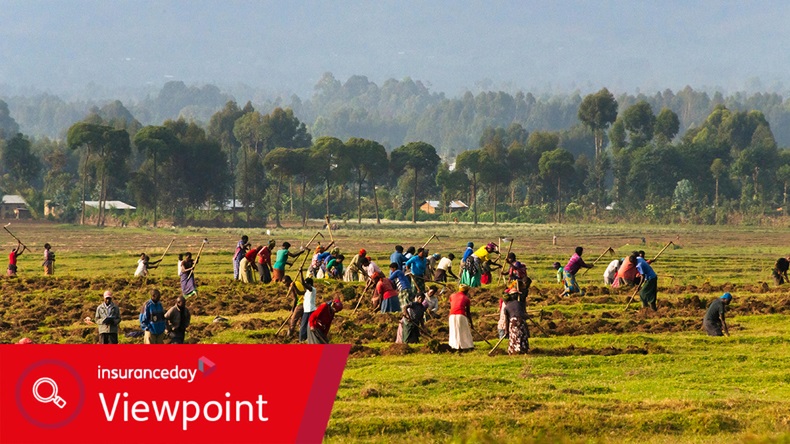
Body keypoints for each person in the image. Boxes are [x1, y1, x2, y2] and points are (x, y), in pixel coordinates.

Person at [502, 289, 529, 354]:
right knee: (522, 335)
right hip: (521, 321)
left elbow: (507, 320)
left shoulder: (506, 307)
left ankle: (515, 350)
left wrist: (506, 330)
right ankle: (523, 349)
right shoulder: (520, 304)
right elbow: (524, 314)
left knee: (515, 335)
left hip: (513, 322)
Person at [449, 284, 474, 351]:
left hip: (451, 316)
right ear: (466, 291)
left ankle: (454, 346)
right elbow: (468, 312)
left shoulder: (452, 296)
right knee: (464, 331)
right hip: (460, 315)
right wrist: (471, 323)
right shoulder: (466, 298)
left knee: (454, 331)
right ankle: (466, 346)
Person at [299, 278, 317, 342]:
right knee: (305, 327)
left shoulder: (312, 289)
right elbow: (299, 292)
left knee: (304, 327)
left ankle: (302, 341)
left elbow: (303, 283)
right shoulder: (306, 291)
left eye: (306, 284)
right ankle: (305, 340)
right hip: (306, 311)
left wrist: (301, 273)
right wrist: (294, 286)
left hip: (310, 311)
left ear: (309, 284)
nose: (304, 285)